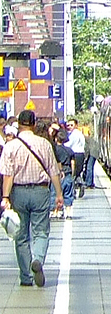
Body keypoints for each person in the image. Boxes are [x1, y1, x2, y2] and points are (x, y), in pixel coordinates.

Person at [0, 110, 64, 287]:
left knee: (21, 236)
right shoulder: (44, 144)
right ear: (34, 124)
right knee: (41, 231)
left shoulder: (10, 146)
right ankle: (38, 259)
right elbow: (54, 171)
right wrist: (59, 194)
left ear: (19, 124)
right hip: (41, 192)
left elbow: (8, 175)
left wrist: (5, 197)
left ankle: (26, 276)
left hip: (19, 193)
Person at [65, 119, 86, 197]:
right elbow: (83, 143)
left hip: (74, 154)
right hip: (81, 154)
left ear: (76, 125)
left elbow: (69, 144)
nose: (69, 127)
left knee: (72, 173)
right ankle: (80, 183)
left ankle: (73, 190)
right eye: (68, 125)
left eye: (71, 125)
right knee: (78, 172)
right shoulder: (80, 133)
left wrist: (61, 145)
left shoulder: (73, 134)